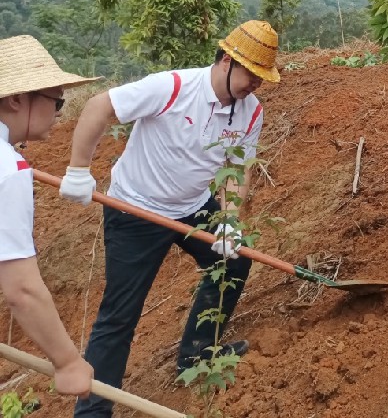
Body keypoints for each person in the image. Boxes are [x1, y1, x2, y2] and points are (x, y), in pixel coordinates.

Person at [62, 21, 281, 418]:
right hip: (136, 210)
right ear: (228, 60)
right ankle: (92, 411)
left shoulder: (250, 113)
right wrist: (79, 169)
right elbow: (100, 106)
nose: (255, 85)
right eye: (252, 74)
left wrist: (229, 220)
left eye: (262, 79)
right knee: (120, 315)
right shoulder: (174, 88)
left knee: (234, 262)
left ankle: (196, 354)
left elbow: (237, 169)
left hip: (194, 207)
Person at [0, 36, 97, 398]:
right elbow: (22, 290)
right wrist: (68, 362)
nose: (59, 112)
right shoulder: (9, 169)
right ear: (16, 99)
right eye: (56, 101)